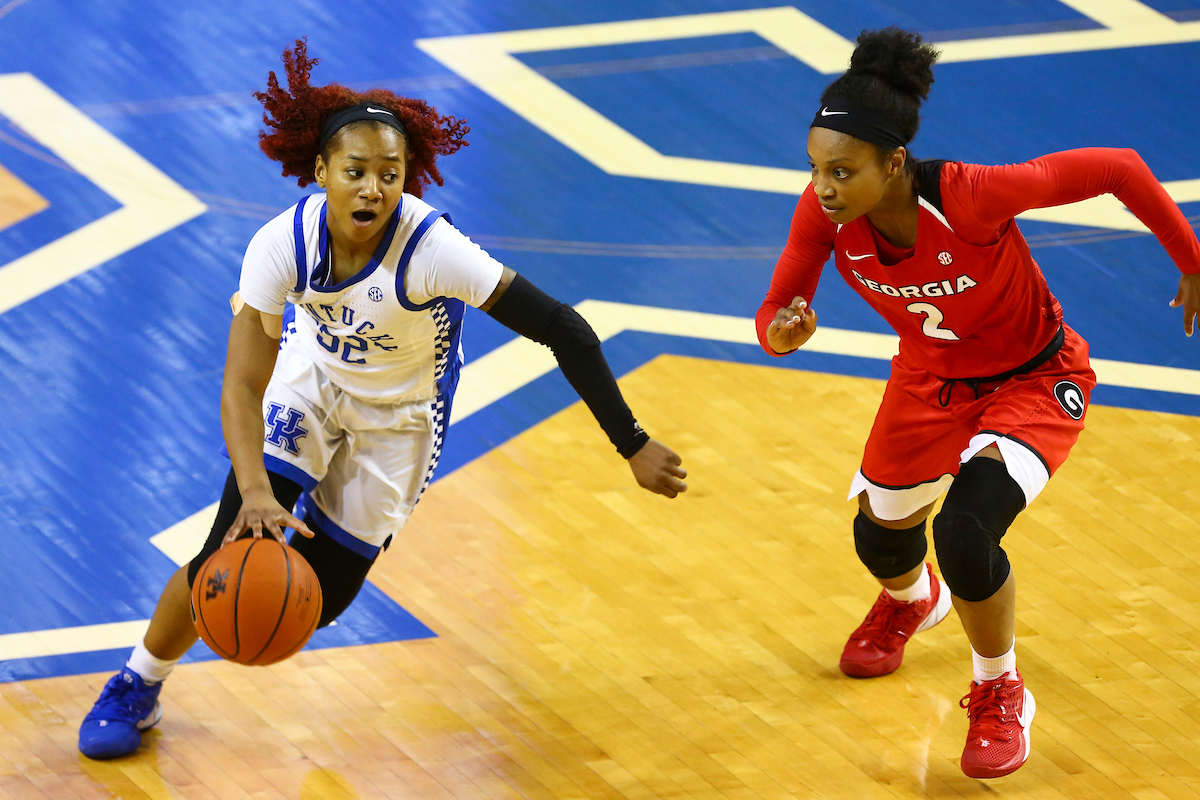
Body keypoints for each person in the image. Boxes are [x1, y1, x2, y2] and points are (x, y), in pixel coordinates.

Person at [79, 39, 688, 760]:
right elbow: (243, 382)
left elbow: (564, 329)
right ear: (321, 172)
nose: (373, 188)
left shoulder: (434, 252)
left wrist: (632, 441)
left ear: (407, 180)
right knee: (228, 552)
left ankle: (262, 586)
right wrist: (253, 492)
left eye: (390, 175)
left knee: (315, 602)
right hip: (313, 379)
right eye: (356, 171)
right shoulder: (280, 245)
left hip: (399, 421)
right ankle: (135, 682)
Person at [757, 27, 1199, 779]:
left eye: (841, 170)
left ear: (894, 161)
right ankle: (911, 599)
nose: (823, 186)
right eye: (814, 169)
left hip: (1033, 378)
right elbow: (777, 307)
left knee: (966, 530)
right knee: (881, 541)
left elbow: (1119, 168)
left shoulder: (969, 195)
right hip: (928, 383)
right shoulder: (824, 216)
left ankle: (1000, 690)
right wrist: (783, 331)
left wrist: (1192, 261)